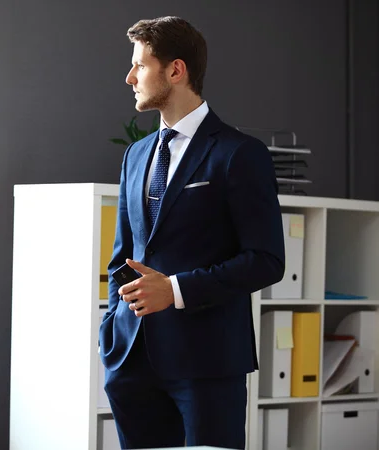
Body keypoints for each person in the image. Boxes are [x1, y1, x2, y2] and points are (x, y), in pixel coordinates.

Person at [98, 16, 285, 449]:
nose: (129, 78)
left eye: (139, 66)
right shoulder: (136, 155)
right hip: (131, 361)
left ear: (175, 70)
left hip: (207, 364)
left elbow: (266, 260)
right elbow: (122, 254)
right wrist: (112, 329)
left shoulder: (240, 154)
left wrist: (175, 290)